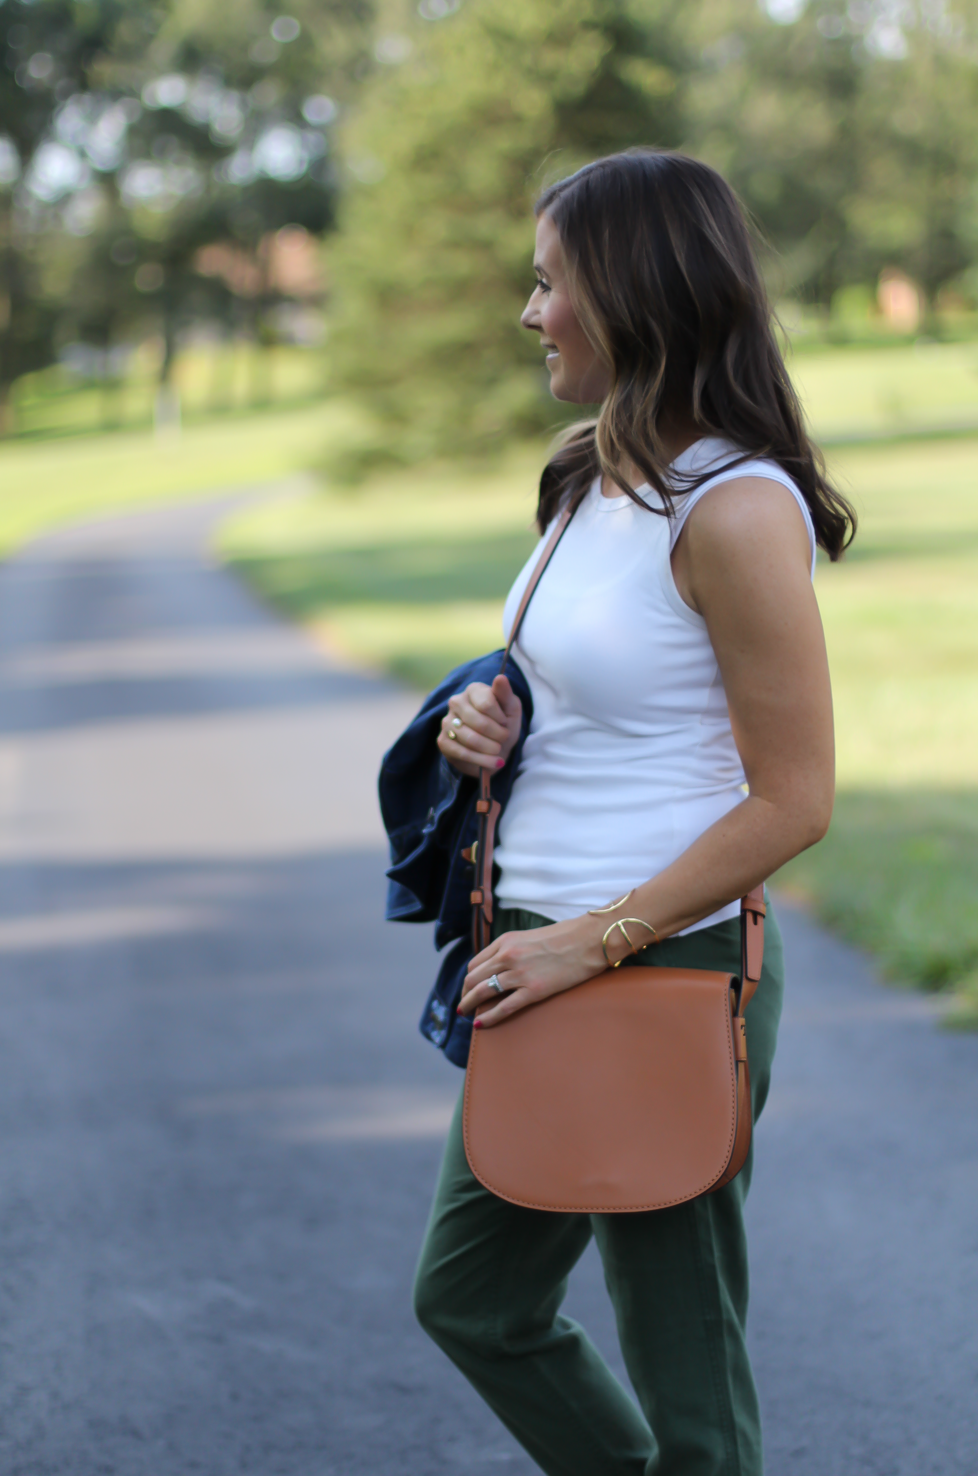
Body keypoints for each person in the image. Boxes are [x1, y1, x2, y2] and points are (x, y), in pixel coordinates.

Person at [412, 149, 854, 1476]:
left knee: (689, 1394)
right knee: (474, 1303)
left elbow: (795, 797)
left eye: (551, 284)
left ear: (632, 292)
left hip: (655, 961)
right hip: (537, 948)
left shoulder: (734, 506)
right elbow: (604, 694)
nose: (530, 312)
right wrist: (488, 724)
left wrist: (583, 943)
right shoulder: (587, 475)